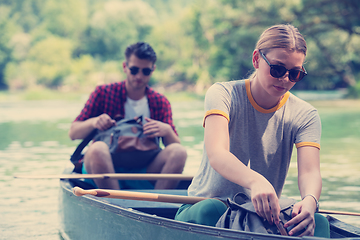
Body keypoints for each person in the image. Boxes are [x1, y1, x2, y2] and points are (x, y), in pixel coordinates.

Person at [174, 24, 329, 237]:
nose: (285, 79)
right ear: (256, 59)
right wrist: (256, 180)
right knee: (213, 210)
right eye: (277, 69)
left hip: (259, 217)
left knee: (319, 223)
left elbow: (310, 172)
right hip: (206, 208)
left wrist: (310, 201)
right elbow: (217, 154)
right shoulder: (222, 93)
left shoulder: (306, 114)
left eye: (295, 74)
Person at [69, 42, 187, 190]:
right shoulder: (103, 93)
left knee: (179, 152)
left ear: (153, 70)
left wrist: (167, 131)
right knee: (97, 148)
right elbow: (73, 133)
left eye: (145, 71)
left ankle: (156, 207)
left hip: (145, 170)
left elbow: (175, 148)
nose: (139, 76)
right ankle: (115, 204)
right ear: (125, 67)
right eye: (134, 70)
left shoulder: (160, 102)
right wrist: (94, 122)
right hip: (105, 169)